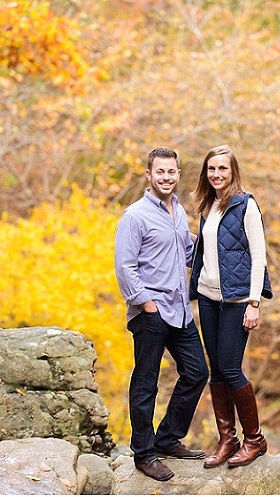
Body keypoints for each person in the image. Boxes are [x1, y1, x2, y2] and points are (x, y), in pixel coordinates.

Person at [114, 146, 209, 481]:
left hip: (180, 310)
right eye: (160, 172)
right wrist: (145, 303)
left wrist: (213, 239)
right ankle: (143, 452)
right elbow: (125, 267)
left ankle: (168, 439)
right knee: (146, 384)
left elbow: (186, 251)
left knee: (197, 372)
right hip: (150, 312)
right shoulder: (135, 216)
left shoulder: (178, 211)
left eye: (172, 172)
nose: (166, 178)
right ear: (149, 174)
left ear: (178, 174)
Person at [190, 145, 274, 468]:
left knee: (231, 368)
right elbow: (205, 253)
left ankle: (255, 439)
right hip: (210, 299)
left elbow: (258, 258)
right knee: (216, 370)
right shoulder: (207, 206)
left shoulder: (246, 206)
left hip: (239, 301)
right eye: (211, 169)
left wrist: (254, 303)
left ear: (232, 171)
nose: (216, 174)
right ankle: (228, 439)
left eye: (222, 169)